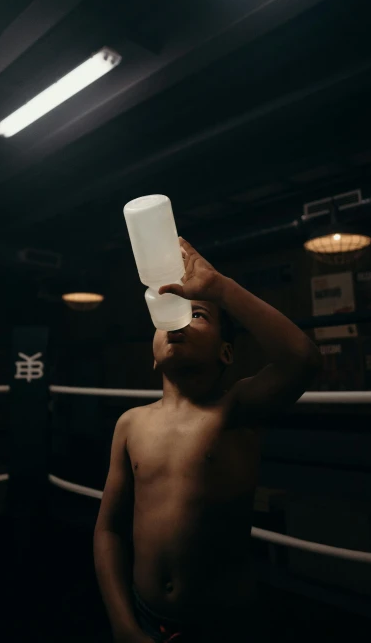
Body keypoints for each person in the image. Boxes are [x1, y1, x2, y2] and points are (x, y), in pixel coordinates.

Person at [94, 238, 321, 642]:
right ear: (152, 352)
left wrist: (220, 290)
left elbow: (301, 358)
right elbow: (108, 530)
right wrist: (123, 624)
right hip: (143, 615)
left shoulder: (236, 410)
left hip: (223, 625)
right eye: (166, 317)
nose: (177, 323)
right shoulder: (130, 424)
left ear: (226, 352)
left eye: (195, 314)